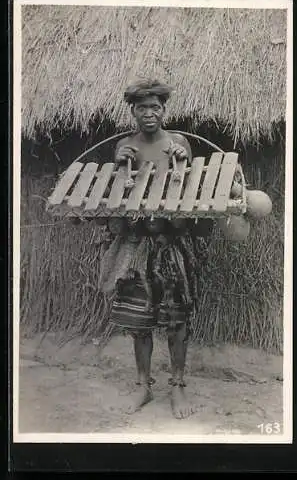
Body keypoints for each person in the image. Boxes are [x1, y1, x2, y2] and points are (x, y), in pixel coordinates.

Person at [99, 78, 209, 419]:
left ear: (164, 110)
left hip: (170, 244)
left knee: (176, 320)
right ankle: (143, 386)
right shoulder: (124, 145)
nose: (149, 114)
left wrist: (182, 158)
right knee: (140, 322)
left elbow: (187, 184)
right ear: (133, 111)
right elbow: (117, 196)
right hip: (136, 245)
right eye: (142, 108)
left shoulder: (178, 143)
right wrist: (120, 163)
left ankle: (176, 387)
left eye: (155, 108)